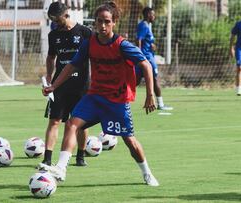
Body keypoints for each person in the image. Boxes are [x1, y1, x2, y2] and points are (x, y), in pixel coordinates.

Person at [38, 1, 159, 187]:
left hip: (116, 101)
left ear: (114, 22)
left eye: (107, 21)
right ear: (94, 22)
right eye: (99, 21)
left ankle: (147, 172)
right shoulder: (90, 43)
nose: (103, 25)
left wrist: (150, 94)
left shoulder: (122, 45)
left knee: (129, 141)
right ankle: (61, 168)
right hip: (94, 97)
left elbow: (146, 65)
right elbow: (72, 66)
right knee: (71, 124)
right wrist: (54, 85)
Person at [42, 2, 91, 166]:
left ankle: (80, 157)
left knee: (81, 124)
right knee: (54, 121)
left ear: (66, 14)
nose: (55, 23)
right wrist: (49, 75)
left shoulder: (84, 32)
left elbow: (96, 55)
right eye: (52, 20)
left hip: (81, 86)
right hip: (59, 86)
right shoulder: (53, 35)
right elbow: (51, 57)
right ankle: (47, 160)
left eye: (57, 19)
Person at [136, 7, 172, 111]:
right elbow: (138, 40)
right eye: (153, 14)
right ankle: (160, 104)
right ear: (148, 15)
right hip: (147, 58)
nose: (154, 16)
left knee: (136, 80)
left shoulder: (146, 26)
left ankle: (119, 99)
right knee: (155, 79)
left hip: (147, 56)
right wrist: (139, 56)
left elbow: (144, 41)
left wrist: (151, 45)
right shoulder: (143, 26)